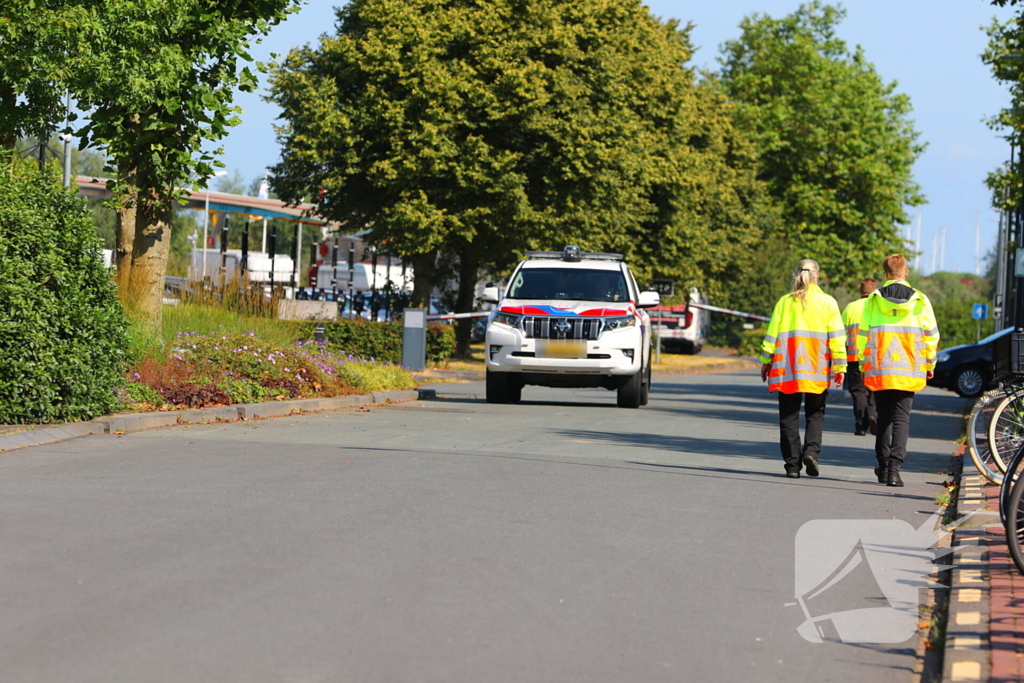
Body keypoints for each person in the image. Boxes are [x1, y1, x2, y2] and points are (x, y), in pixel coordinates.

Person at [856, 254, 939, 487]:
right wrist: (929, 364)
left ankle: (882, 467)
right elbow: (932, 336)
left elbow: (863, 336)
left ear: (885, 274)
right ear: (906, 272)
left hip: (880, 366)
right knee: (902, 418)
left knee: (883, 418)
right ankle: (894, 469)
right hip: (909, 367)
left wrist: (863, 365)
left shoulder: (873, 300)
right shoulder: (920, 300)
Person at [760, 259, 847, 479]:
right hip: (817, 368)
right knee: (815, 414)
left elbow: (771, 336)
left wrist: (766, 360)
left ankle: (792, 466)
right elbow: (837, 338)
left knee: (788, 417)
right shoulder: (828, 303)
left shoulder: (784, 302)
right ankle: (811, 452)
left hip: (786, 368)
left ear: (797, 274)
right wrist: (840, 366)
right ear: (817, 275)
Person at [842, 278, 878, 436]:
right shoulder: (879, 307)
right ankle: (873, 413)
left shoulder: (851, 308)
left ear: (860, 291)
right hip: (875, 357)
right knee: (875, 389)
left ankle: (861, 426)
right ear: (875, 290)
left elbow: (840, 333)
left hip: (854, 356)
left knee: (858, 391)